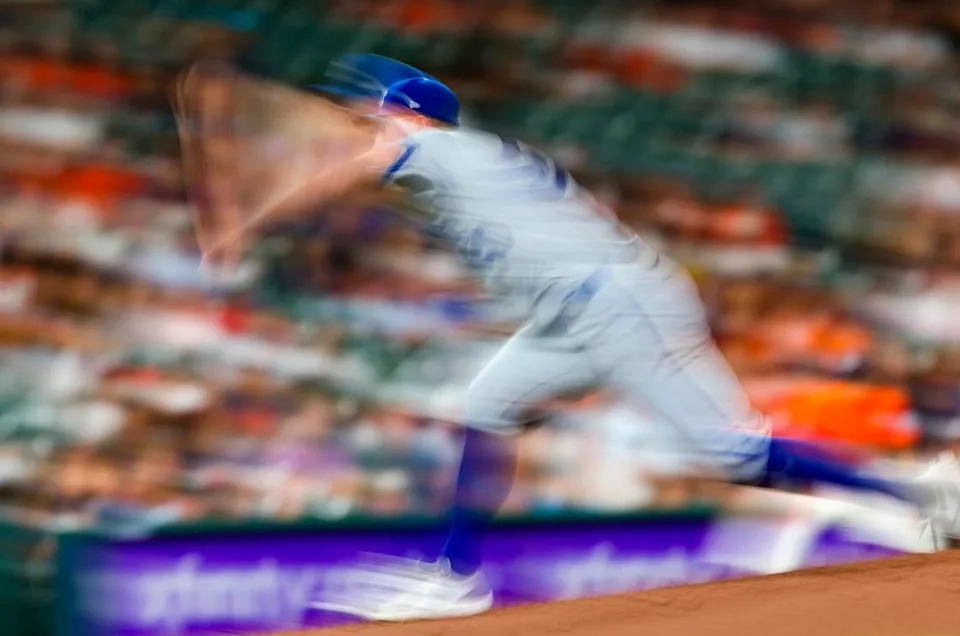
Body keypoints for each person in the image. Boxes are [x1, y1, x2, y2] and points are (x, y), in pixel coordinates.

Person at [201, 69, 960, 622]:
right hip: (576, 315)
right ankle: (452, 575)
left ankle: (920, 493)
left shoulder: (449, 148)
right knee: (488, 403)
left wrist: (248, 204)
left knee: (729, 452)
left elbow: (354, 162)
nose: (366, 115)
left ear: (413, 115)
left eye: (377, 106)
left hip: (616, 303)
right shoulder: (457, 159)